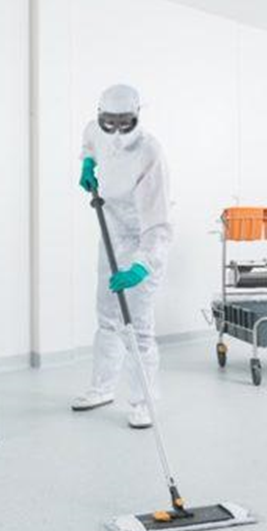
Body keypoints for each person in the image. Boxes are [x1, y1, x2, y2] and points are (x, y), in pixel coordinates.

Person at [71, 84, 172, 429]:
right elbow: (90, 142)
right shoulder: (94, 129)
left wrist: (141, 268)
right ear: (100, 114)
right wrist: (87, 163)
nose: (114, 130)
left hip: (142, 238)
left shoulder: (150, 152)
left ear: (137, 116)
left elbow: (159, 223)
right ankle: (101, 388)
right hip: (111, 231)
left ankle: (144, 402)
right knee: (107, 317)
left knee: (138, 328)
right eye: (108, 121)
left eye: (123, 123)